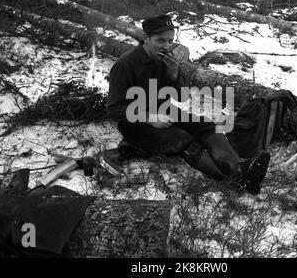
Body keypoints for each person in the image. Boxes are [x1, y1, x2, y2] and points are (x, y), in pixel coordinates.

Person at [106, 14, 270, 194]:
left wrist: (174, 73)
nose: (167, 46)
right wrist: (149, 118)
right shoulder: (126, 65)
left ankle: (239, 167)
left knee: (205, 125)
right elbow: (114, 109)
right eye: (160, 41)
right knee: (183, 139)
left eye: (170, 41)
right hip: (136, 127)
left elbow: (182, 96)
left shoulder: (164, 60)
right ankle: (234, 180)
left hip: (166, 111)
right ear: (145, 38)